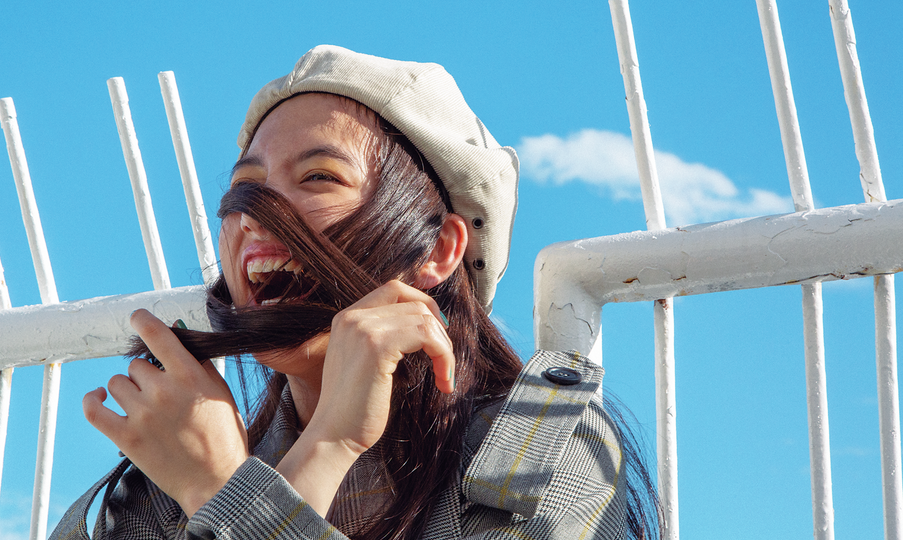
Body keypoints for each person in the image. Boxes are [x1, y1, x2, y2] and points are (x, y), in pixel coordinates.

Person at [51, 45, 657, 540]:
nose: (255, 219)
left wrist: (228, 494)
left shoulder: (540, 453)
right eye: (245, 186)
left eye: (319, 176)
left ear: (438, 251)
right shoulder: (167, 477)